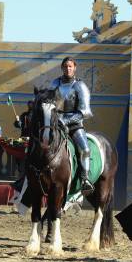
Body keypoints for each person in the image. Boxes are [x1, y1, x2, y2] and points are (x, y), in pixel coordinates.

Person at [49, 57, 94, 194]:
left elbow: (85, 112)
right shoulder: (54, 83)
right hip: (55, 124)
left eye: (70, 66)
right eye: (65, 66)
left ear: (75, 68)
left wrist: (65, 120)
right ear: (62, 68)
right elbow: (49, 102)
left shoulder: (80, 86)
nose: (68, 69)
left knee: (85, 150)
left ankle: (85, 179)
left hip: (74, 125)